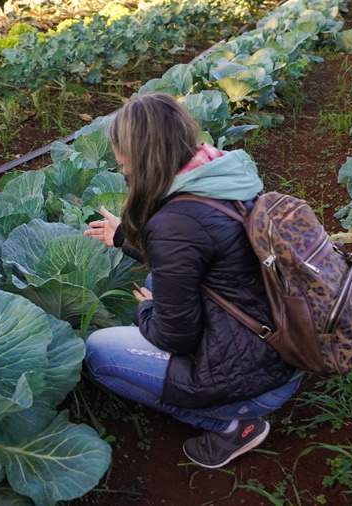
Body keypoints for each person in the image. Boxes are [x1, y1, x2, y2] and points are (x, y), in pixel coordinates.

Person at [82, 93, 301, 469]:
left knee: (96, 351)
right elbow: (201, 252)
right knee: (155, 278)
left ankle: (231, 423)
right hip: (283, 348)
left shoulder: (175, 221)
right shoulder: (224, 177)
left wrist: (145, 311)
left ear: (140, 153)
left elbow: (175, 336)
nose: (118, 162)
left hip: (255, 380)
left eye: (121, 153)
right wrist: (124, 238)